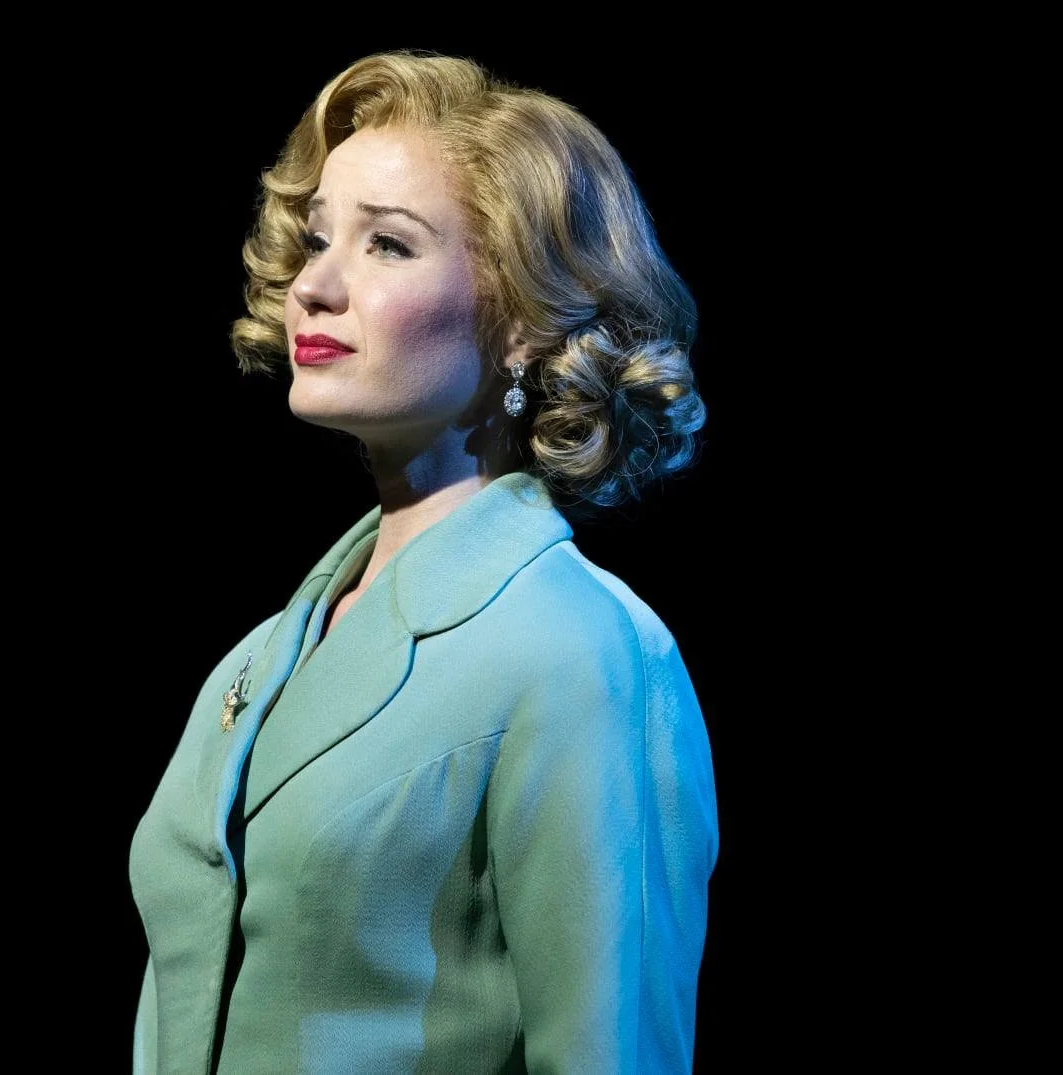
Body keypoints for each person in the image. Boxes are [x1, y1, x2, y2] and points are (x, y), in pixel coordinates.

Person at [130, 49, 718, 1073]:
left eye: (388, 245)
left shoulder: (580, 653)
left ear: (524, 318)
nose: (313, 286)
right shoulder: (260, 658)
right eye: (318, 239)